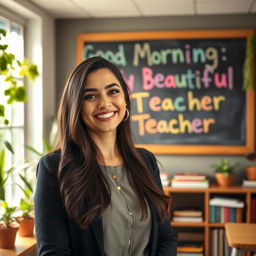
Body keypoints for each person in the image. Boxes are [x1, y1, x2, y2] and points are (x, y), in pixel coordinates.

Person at [34, 56, 177, 256]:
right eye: (91, 96)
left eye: (113, 91)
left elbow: (166, 237)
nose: (105, 103)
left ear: (125, 100)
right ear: (75, 106)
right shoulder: (54, 168)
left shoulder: (146, 161)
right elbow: (53, 251)